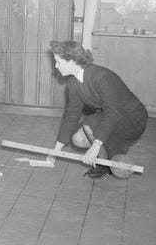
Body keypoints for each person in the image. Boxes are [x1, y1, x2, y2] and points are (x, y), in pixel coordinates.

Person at [48, 40, 148, 178]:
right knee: (78, 138)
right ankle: (108, 157)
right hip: (112, 115)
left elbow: (112, 113)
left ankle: (106, 159)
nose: (56, 66)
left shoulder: (102, 77)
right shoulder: (73, 83)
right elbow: (71, 115)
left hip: (133, 118)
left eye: (59, 62)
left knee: (89, 124)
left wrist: (95, 147)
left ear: (72, 60)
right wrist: (56, 150)